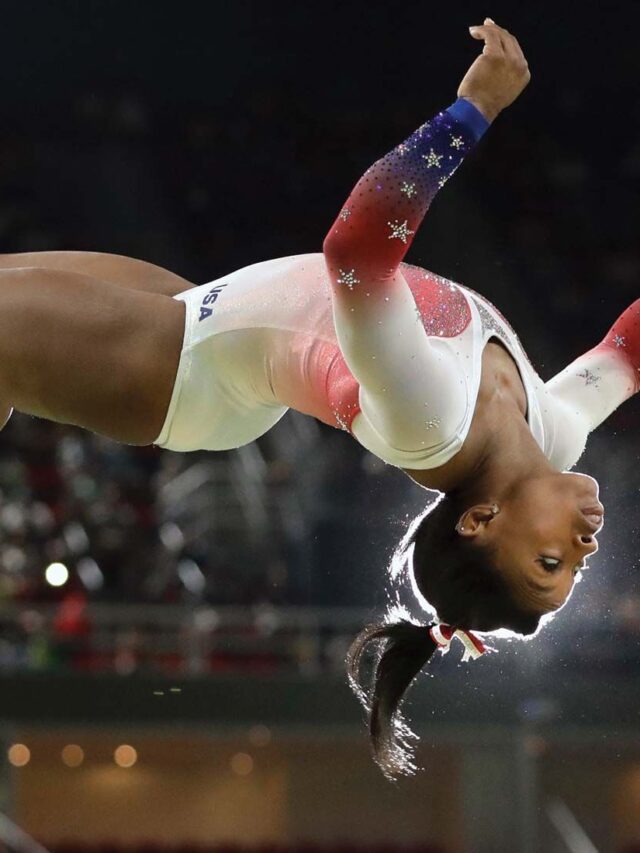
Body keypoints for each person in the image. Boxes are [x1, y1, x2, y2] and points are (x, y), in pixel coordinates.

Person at [0, 19, 637, 777]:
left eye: (549, 561)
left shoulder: (430, 418)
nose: (585, 552)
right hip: (196, 316)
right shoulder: (554, 432)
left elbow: (358, 250)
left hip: (173, 372)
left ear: (479, 521)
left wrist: (471, 113)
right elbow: (626, 350)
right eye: (572, 568)